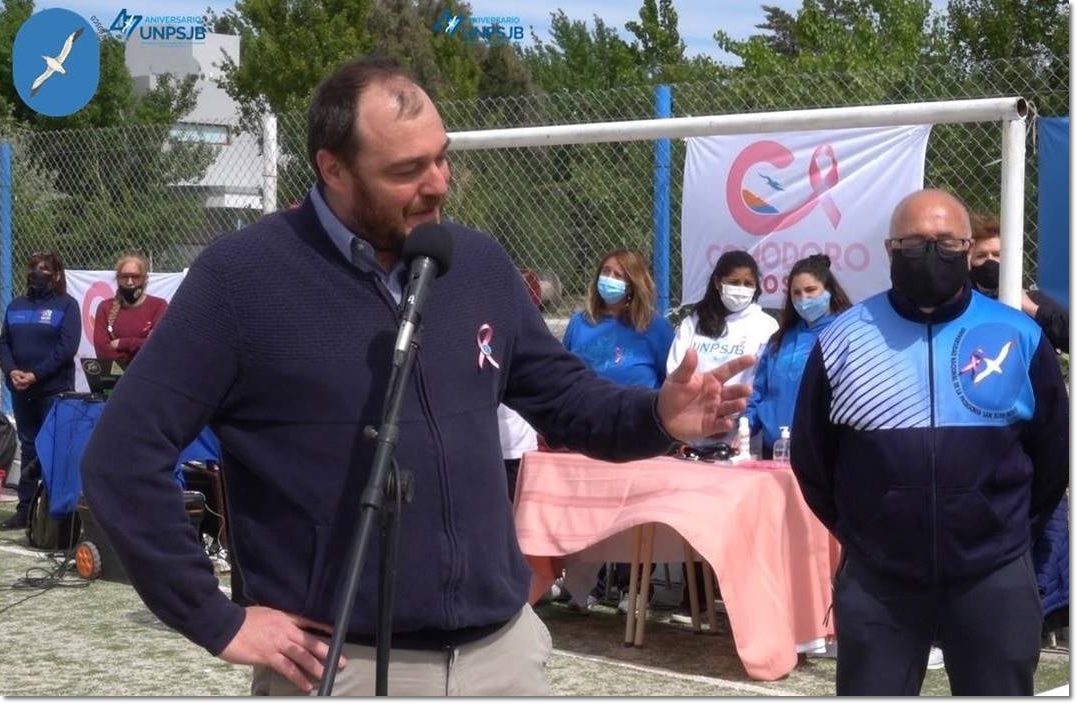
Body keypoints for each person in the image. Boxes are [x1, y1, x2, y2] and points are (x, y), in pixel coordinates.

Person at [79, 56, 755, 697]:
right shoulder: (242, 281)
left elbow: (568, 400)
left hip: (502, 656)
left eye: (441, 157)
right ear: (333, 169)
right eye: (407, 170)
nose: (438, 184)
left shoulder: (478, 265)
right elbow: (122, 457)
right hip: (340, 664)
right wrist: (214, 618)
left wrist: (658, 416)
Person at [791, 189, 1069, 696]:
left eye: (946, 242)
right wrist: (868, 529)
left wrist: (1001, 528)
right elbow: (813, 457)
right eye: (914, 242)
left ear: (968, 249)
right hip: (879, 579)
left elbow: (1053, 455)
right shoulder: (842, 339)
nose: (931, 252)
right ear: (889, 250)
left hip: (993, 574)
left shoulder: (1018, 335)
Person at [561, 248, 675, 614]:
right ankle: (583, 584)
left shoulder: (654, 329)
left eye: (619, 275)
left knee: (633, 513)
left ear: (634, 284)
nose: (609, 280)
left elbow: (670, 380)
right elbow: (562, 373)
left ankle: (635, 586)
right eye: (605, 272)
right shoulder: (580, 323)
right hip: (586, 431)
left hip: (635, 433)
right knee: (584, 510)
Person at [666, 250, 777, 452]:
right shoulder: (693, 323)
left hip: (740, 438)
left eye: (748, 284)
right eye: (734, 282)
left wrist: (732, 418)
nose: (741, 289)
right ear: (717, 283)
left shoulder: (767, 326)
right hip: (692, 433)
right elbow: (675, 370)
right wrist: (702, 412)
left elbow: (765, 382)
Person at [0, 252, 80, 530]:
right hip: (21, 390)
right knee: (29, 446)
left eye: (45, 269)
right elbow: (4, 343)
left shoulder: (67, 305)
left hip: (52, 390)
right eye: (34, 268)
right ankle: (25, 509)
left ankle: (53, 512)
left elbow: (66, 348)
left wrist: (35, 375)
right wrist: (13, 371)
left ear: (56, 275)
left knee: (53, 449)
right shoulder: (16, 305)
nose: (38, 273)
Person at [743, 254, 851, 459]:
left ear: (829, 290)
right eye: (796, 293)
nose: (803, 299)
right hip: (774, 450)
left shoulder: (844, 334)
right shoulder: (780, 339)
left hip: (821, 453)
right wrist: (746, 424)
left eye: (811, 290)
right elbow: (759, 390)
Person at [969, 213, 1068, 353]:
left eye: (997, 255)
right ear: (969, 261)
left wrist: (1032, 308)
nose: (990, 261)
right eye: (981, 256)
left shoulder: (1032, 299)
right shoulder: (964, 301)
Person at [92, 251, 169, 362]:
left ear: (145, 279)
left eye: (135, 277)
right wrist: (139, 346)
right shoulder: (105, 308)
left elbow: (157, 345)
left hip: (147, 370)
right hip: (117, 373)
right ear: (117, 279)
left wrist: (121, 343)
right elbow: (102, 350)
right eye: (124, 277)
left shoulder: (159, 306)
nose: (129, 282)